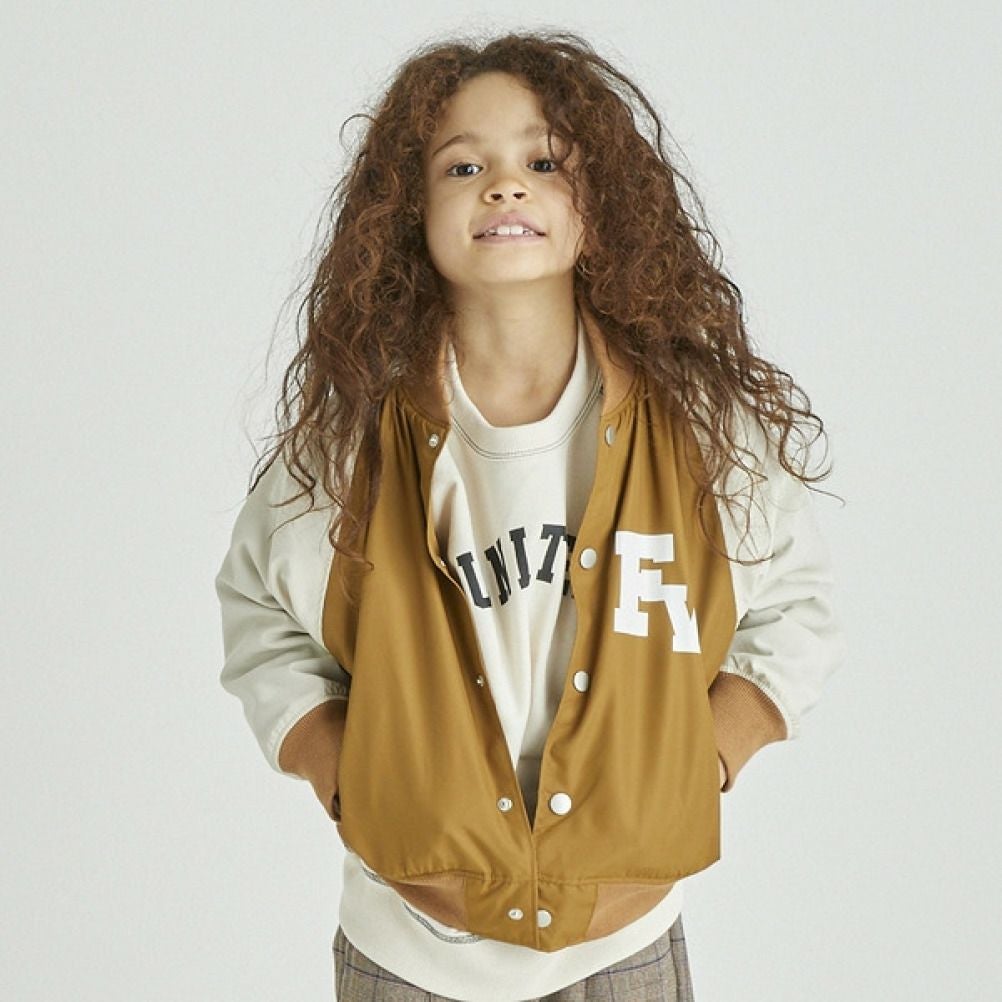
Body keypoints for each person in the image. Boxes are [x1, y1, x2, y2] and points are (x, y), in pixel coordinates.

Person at [214, 30, 843, 1002]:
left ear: (604, 202)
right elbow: (259, 606)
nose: (505, 185)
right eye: (464, 166)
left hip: (624, 943)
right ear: (409, 210)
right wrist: (342, 771)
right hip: (408, 947)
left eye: (543, 162)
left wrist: (706, 758)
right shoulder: (357, 443)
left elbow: (796, 600)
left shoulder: (694, 429)